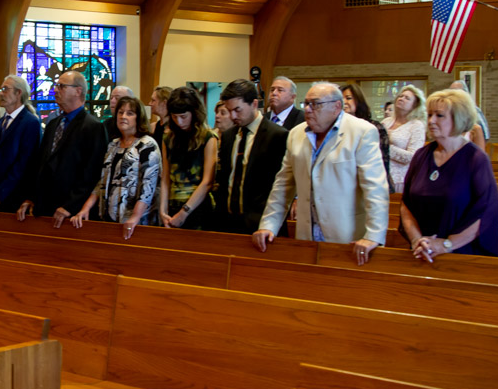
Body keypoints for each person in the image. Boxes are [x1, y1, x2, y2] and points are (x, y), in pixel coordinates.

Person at [254, 81, 390, 260]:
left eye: (315, 104)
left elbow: (375, 189)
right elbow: (282, 186)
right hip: (307, 234)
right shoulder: (296, 134)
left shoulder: (361, 132)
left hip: (346, 236)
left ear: (337, 106)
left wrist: (373, 236)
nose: (308, 110)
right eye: (306, 104)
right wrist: (268, 225)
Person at [398, 90, 498, 260]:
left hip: (462, 255)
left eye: (439, 115)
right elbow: (406, 204)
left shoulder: (475, 159)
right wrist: (417, 240)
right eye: (430, 115)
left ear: (458, 119)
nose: (431, 121)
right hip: (422, 252)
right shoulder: (421, 155)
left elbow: (486, 212)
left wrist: (447, 244)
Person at [19, 70, 105, 224]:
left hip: (70, 212)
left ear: (78, 91)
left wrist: (71, 205)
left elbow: (92, 173)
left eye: (61, 86)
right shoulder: (54, 124)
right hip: (45, 207)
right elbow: (41, 164)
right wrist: (32, 197)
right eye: (56, 86)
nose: (55, 90)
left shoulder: (93, 126)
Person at [73, 95, 161, 238]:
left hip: (138, 221)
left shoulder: (147, 145)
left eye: (129, 113)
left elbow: (149, 187)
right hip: (110, 216)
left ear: (138, 118)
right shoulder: (113, 144)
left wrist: (135, 217)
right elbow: (102, 181)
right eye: (120, 112)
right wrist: (86, 208)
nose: (123, 116)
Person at [211, 79, 287, 235]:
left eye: (237, 110)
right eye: (229, 110)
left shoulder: (277, 135)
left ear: (253, 104)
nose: (232, 116)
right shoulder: (229, 136)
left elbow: (280, 186)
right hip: (228, 223)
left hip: (259, 224)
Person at [159, 86, 218, 230]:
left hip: (197, 208)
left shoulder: (208, 138)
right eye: (174, 117)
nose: (179, 122)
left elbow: (207, 182)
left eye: (184, 116)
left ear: (194, 113)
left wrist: (184, 213)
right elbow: (165, 178)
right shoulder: (168, 138)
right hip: (173, 207)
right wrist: (162, 210)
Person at [0, 75, 42, 216]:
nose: (1, 93)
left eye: (5, 89)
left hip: (14, 198)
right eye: (0, 90)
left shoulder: (30, 122)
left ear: (18, 93)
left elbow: (23, 164)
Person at [340, 82, 390, 191]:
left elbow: (382, 161)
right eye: (340, 98)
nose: (344, 102)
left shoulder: (374, 127)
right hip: (342, 185)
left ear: (358, 101)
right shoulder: (335, 128)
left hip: (367, 183)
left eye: (348, 98)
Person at [382, 85, 427, 190]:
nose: (401, 99)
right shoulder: (386, 122)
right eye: (400, 96)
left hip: (400, 180)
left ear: (415, 105)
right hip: (380, 174)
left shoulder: (416, 126)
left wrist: (385, 145)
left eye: (407, 98)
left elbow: (413, 157)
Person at [449, 80, 490, 146]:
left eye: (455, 92)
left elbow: (485, 134)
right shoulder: (448, 111)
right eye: (450, 92)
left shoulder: (474, 111)